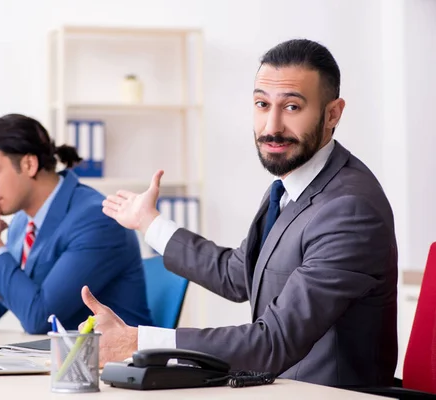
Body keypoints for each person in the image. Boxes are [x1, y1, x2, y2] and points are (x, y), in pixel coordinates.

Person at [79, 39, 398, 387]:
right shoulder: (288, 188)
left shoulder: (349, 209)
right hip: (278, 388)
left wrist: (139, 341)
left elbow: (274, 341)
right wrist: (150, 223)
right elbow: (238, 275)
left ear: (333, 113)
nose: (271, 126)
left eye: (292, 107)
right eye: (262, 104)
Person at [0, 113, 152, 334]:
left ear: (29, 164)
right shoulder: (21, 223)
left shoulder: (97, 219)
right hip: (57, 360)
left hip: (112, 363)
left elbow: (41, 318)